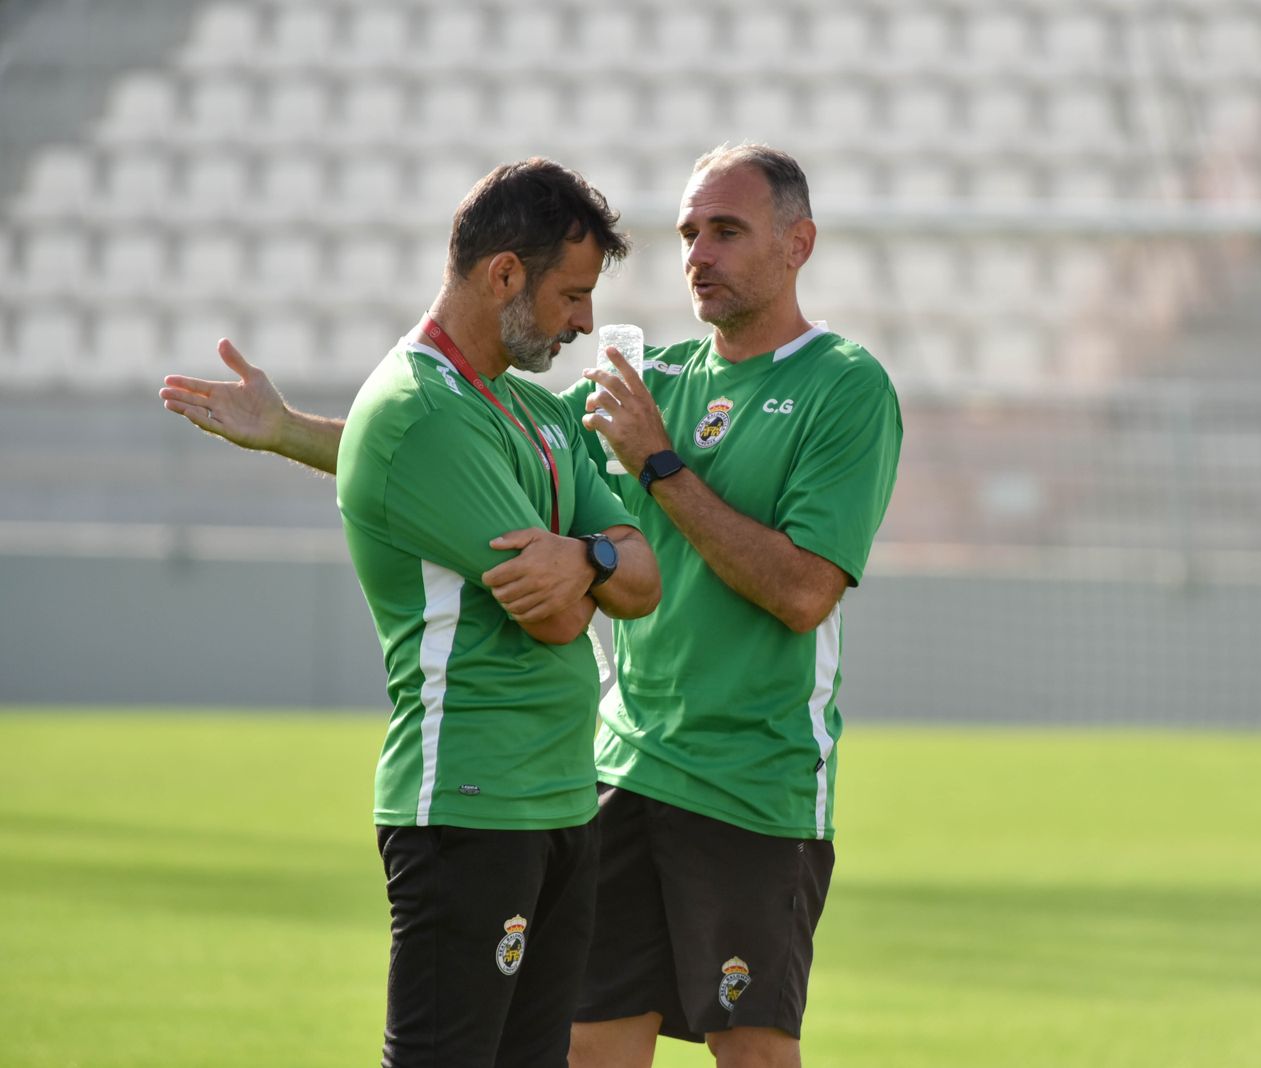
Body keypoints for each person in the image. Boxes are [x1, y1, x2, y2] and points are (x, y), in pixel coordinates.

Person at [159, 142, 902, 1068]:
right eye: (688, 233)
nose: (698, 254)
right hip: (622, 770)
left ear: (798, 244)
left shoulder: (843, 383)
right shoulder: (648, 381)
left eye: (726, 231)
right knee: (585, 1053)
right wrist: (292, 433)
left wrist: (657, 468)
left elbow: (802, 593)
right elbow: (469, 456)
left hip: (753, 782)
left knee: (753, 1054)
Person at [247, 157, 661, 1068]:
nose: (585, 322)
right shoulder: (421, 412)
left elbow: (641, 581)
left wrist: (587, 557)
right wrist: (597, 561)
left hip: (563, 801)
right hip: (470, 805)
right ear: (504, 273)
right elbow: (557, 620)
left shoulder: (533, 411)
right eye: (572, 294)